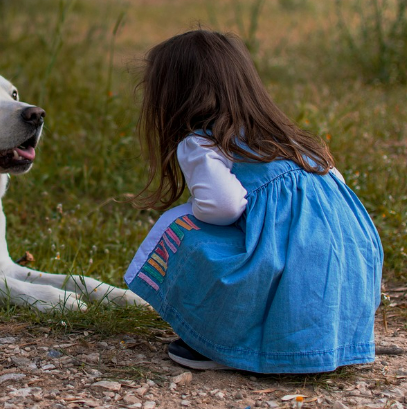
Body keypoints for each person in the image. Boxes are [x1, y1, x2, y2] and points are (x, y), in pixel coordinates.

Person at [124, 29, 383, 373]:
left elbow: (224, 206)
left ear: (175, 97)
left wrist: (196, 212)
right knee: (287, 246)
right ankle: (325, 339)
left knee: (181, 226)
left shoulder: (202, 143)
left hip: (290, 270)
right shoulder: (290, 139)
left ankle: (220, 342)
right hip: (348, 269)